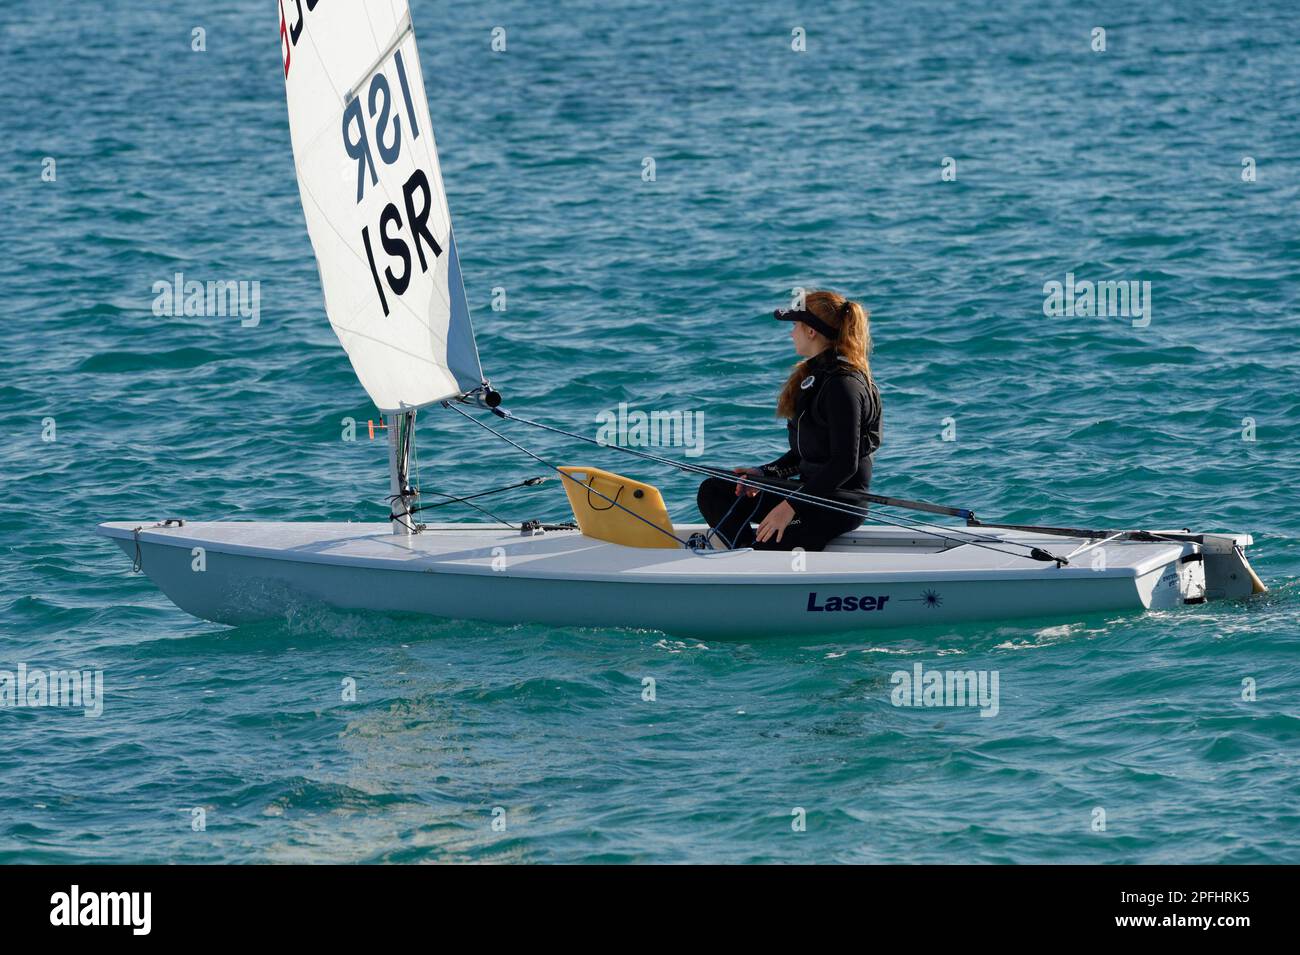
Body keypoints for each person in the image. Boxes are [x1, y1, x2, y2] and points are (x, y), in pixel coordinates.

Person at [696, 290, 882, 551]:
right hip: (806, 495)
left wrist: (788, 508)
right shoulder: (819, 377)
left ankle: (754, 558)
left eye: (795, 325)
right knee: (714, 490)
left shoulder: (844, 385)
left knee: (766, 542)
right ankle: (745, 552)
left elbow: (843, 464)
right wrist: (763, 473)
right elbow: (805, 454)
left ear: (811, 332)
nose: (791, 332)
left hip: (834, 506)